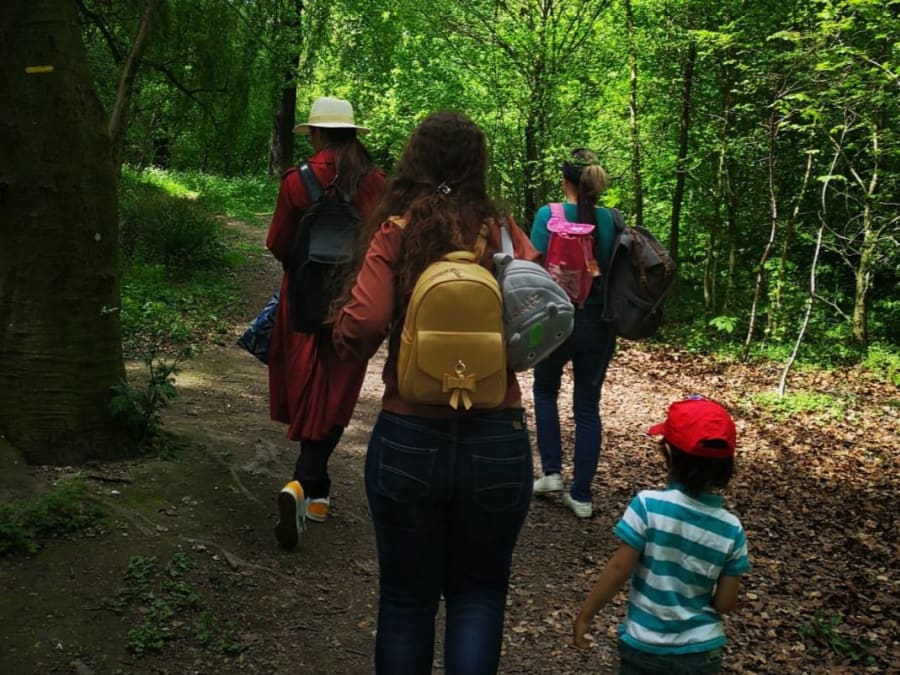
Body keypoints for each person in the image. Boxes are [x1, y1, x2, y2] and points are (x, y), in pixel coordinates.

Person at [333, 111, 539, 674]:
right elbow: (542, 319)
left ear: (414, 160)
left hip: (410, 432)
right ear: (478, 163)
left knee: (405, 600)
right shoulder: (502, 233)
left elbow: (364, 325)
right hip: (497, 434)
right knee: (479, 594)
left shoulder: (396, 229)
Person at [266, 96, 385, 550]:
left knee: (306, 389)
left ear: (315, 134)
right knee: (335, 395)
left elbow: (277, 241)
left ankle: (302, 483)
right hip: (352, 303)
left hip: (301, 303)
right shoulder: (375, 183)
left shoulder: (297, 181)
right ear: (353, 134)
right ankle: (316, 493)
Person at [572, 396, 750, 673]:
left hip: (646, 645)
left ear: (667, 453)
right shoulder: (732, 529)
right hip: (702, 652)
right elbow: (726, 603)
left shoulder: (648, 506)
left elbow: (619, 569)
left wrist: (586, 614)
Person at [530, 148, 619, 518]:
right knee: (587, 408)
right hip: (598, 324)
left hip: (554, 321)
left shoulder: (548, 215)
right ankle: (581, 495)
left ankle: (551, 472)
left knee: (545, 391)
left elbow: (531, 263)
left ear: (565, 180)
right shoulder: (612, 220)